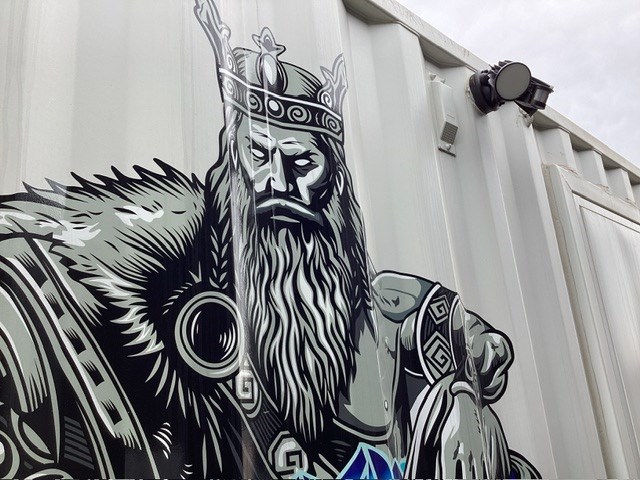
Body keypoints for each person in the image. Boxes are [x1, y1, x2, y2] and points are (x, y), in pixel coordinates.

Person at [0, 0, 539, 478]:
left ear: (335, 180)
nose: (277, 182)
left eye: (302, 163)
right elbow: (43, 242)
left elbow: (466, 337)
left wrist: (463, 392)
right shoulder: (180, 230)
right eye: (258, 156)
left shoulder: (376, 299)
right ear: (233, 159)